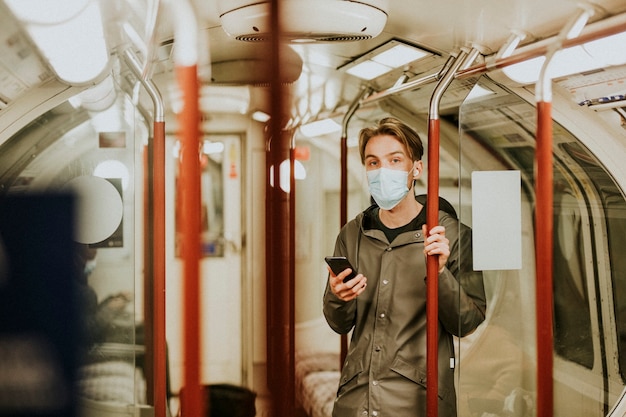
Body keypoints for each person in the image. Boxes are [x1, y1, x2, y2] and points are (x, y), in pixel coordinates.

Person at [323, 117, 486, 417]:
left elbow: (468, 322)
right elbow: (339, 323)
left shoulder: (453, 235)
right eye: (373, 163)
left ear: (417, 169)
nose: (382, 171)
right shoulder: (352, 233)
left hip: (416, 402)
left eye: (394, 160)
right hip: (355, 400)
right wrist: (338, 296)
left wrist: (440, 274)